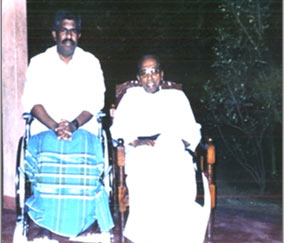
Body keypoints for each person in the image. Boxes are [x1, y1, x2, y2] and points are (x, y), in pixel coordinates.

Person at [21, 10, 114, 240]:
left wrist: (72, 125)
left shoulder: (91, 62)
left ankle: (83, 222)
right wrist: (54, 126)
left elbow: (95, 101)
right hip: (46, 128)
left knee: (83, 155)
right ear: (54, 34)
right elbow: (32, 101)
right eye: (64, 30)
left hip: (82, 129)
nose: (68, 36)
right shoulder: (39, 62)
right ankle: (45, 220)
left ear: (79, 35)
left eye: (73, 31)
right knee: (49, 155)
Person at [110, 54, 211, 243]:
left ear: (161, 74)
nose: (150, 77)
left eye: (154, 72)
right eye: (145, 73)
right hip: (141, 151)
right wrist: (136, 142)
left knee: (181, 168)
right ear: (139, 78)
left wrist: (181, 144)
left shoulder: (177, 97)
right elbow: (117, 131)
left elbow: (192, 130)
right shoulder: (130, 98)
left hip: (171, 149)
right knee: (145, 169)